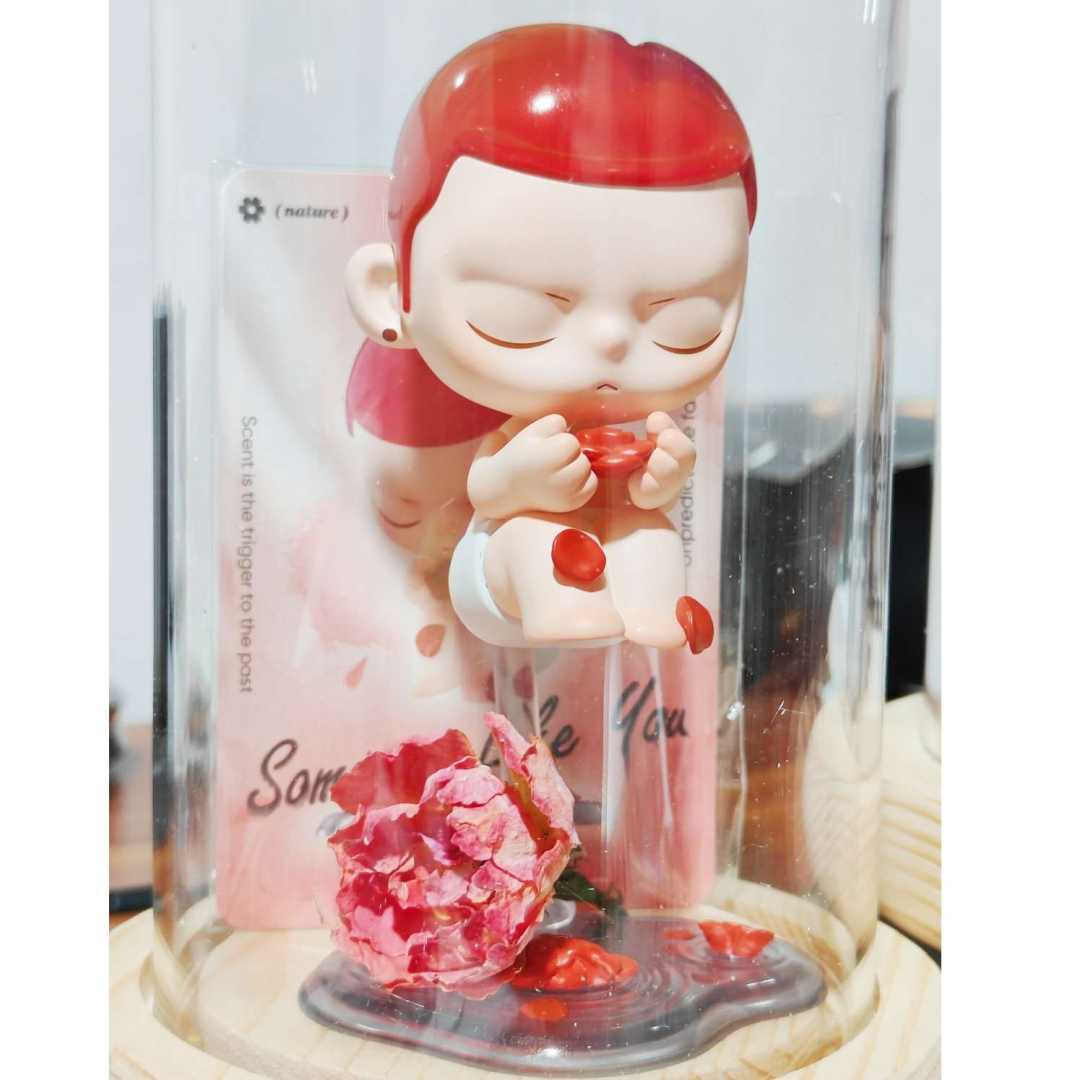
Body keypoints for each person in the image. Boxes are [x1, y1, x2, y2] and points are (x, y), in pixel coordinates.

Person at [346, 24, 755, 652]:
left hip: (605, 543)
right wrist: (528, 479)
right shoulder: (519, 435)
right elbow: (488, 489)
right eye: (518, 311)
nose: (611, 339)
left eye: (684, 319)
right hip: (497, 562)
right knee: (536, 538)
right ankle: (564, 602)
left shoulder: (634, 425)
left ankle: (655, 611)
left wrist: (661, 478)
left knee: (651, 535)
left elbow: (652, 496)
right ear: (389, 292)